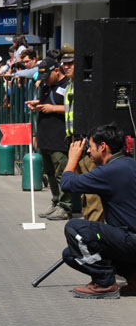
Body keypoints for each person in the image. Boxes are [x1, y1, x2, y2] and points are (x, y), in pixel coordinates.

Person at [60, 124, 136, 299]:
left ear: (103, 147)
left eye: (90, 147)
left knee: (75, 228)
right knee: (70, 254)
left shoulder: (109, 171)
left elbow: (67, 183)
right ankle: (133, 277)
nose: (87, 152)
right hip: (128, 239)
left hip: (131, 240)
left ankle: (104, 283)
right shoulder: (129, 163)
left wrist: (72, 158)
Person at [61, 44, 104, 223]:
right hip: (75, 142)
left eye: (71, 63)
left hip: (87, 143)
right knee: (85, 193)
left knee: (92, 194)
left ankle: (94, 233)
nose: (67, 66)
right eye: (64, 63)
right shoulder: (70, 85)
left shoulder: (88, 85)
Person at [26, 57, 71, 221]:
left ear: (56, 71)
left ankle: (65, 206)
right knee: (50, 173)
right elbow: (46, 103)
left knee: (61, 173)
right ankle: (56, 201)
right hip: (45, 136)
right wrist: (37, 105)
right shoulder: (46, 86)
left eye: (47, 76)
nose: (45, 80)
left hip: (60, 138)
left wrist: (53, 108)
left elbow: (75, 108)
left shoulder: (68, 85)